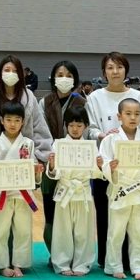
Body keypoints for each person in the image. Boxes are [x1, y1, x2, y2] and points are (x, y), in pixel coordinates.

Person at [0, 54, 52, 257]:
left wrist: (38, 159)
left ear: (21, 74)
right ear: (0, 73)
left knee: (21, 219)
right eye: (7, 70)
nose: (11, 74)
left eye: (15, 71)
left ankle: (18, 260)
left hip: (22, 171)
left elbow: (41, 132)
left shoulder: (29, 99)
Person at [85, 51, 140, 269]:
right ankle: (109, 261)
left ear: (126, 71)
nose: (115, 72)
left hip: (133, 168)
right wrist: (101, 135)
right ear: (104, 72)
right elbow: (90, 128)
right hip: (106, 163)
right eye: (110, 67)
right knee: (107, 215)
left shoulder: (138, 96)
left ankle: (133, 262)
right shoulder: (95, 97)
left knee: (135, 220)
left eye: (119, 67)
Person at [98, 99, 140, 280]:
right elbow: (103, 162)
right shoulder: (110, 139)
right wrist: (109, 167)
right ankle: (114, 266)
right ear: (119, 116)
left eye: (137, 114)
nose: (133, 118)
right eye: (128, 114)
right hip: (120, 189)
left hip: (138, 190)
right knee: (116, 231)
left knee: (139, 231)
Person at [0, 100, 43, 277]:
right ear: (1, 120)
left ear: (23, 122)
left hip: (23, 194)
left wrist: (36, 170)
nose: (12, 124)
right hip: (2, 194)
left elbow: (32, 165)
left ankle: (19, 264)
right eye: (8, 120)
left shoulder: (28, 143)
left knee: (23, 230)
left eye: (17, 120)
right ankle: (0, 264)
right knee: (0, 230)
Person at [46, 102, 101, 276]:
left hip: (83, 192)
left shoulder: (91, 147)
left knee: (83, 231)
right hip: (65, 191)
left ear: (86, 126)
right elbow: (54, 173)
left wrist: (100, 165)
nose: (75, 129)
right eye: (71, 125)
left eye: (79, 125)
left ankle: (82, 264)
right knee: (62, 230)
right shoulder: (59, 145)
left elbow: (97, 174)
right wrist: (52, 166)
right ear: (66, 126)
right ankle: (62, 264)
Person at [40, 60, 82, 253]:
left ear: (75, 79)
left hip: (75, 165)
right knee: (50, 210)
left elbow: (86, 133)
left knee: (72, 211)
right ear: (53, 78)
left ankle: (73, 253)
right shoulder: (45, 102)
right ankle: (54, 252)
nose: (64, 79)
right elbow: (40, 132)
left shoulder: (82, 102)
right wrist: (52, 154)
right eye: (60, 75)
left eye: (69, 75)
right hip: (51, 162)